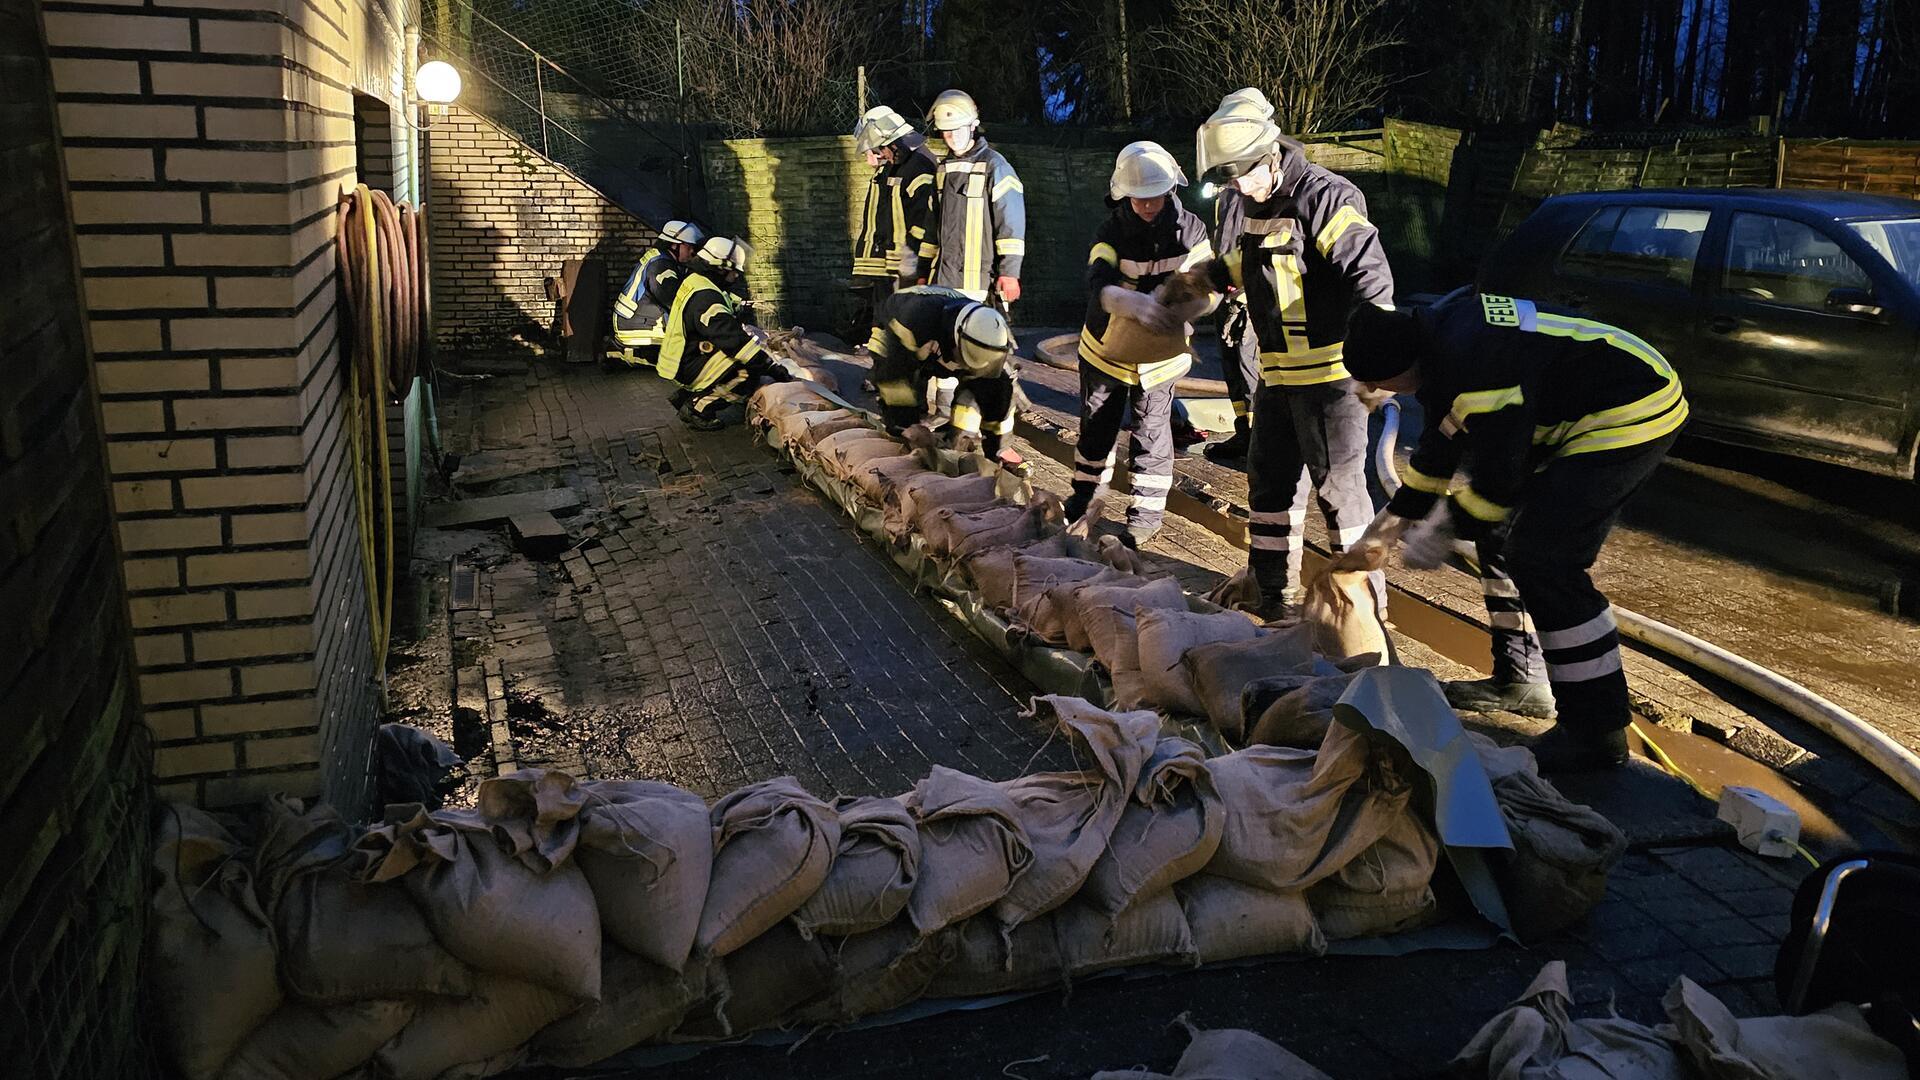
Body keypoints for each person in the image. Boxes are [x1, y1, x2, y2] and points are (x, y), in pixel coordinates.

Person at [1343, 289, 1690, 771]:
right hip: (1571, 398)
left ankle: (1595, 732)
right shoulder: (1435, 337)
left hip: (1628, 405)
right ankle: (1520, 680)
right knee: (1498, 537)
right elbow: (1438, 450)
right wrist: (1390, 525)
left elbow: (1497, 485)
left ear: (1401, 366)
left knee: (1547, 562)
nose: (1385, 393)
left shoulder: (1476, 367)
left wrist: (1440, 531)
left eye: (1382, 383)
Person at [1198, 106, 1394, 620]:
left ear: (1270, 156)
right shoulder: (1256, 199)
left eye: (1244, 176)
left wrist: (1383, 358)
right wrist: (1201, 283)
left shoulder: (1327, 197)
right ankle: (1274, 602)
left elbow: (1370, 276)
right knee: (1269, 490)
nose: (1239, 191)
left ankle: (1363, 619)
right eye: (1230, 180)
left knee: (1341, 499)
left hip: (1332, 384)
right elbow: (1255, 265)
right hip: (1278, 379)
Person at [1066, 141, 1217, 549]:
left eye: (1155, 197)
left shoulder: (1192, 230)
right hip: (1106, 352)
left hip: (1160, 360)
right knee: (1096, 430)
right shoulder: (1110, 231)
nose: (1147, 206)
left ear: (1171, 190)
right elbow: (1098, 284)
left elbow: (1210, 286)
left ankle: (1145, 516)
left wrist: (1189, 310)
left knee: (1152, 432)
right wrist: (1130, 302)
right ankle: (1084, 500)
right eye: (1139, 198)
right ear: (1123, 194)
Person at [1198, 88, 1274, 466]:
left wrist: (1245, 294)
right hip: (1227, 289)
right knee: (1232, 367)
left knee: (1251, 366)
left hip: (1248, 295)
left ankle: (1261, 442)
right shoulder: (1230, 185)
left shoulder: (1259, 183)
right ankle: (1245, 433)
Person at [656, 235, 788, 430]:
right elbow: (733, 340)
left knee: (738, 361)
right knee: (745, 372)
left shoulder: (697, 280)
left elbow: (721, 299)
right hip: (688, 362)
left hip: (682, 356)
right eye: (733, 271)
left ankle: (688, 394)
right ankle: (698, 407)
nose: (736, 277)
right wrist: (767, 364)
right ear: (719, 267)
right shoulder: (706, 299)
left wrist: (743, 305)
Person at [866, 285, 1017, 456]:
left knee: (993, 388)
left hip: (939, 334)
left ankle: (957, 443)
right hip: (896, 329)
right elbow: (895, 379)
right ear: (957, 339)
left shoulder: (992, 335)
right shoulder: (912, 322)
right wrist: (907, 428)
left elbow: (997, 397)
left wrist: (999, 449)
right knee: (902, 398)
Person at [849, 106, 938, 341]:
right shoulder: (897, 165)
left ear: (892, 142)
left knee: (902, 327)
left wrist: (915, 265)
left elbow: (924, 221)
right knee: (884, 324)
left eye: (880, 148)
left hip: (905, 266)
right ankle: (883, 371)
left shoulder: (919, 166)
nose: (879, 155)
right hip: (891, 266)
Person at [610, 219, 705, 367]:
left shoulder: (662, 258)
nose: (692, 251)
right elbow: (672, 300)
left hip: (634, 321)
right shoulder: (662, 266)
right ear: (674, 245)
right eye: (689, 246)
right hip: (638, 326)